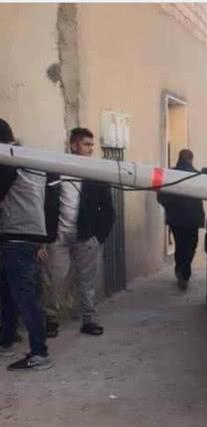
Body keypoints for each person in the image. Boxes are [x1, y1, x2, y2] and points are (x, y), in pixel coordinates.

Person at [42, 127, 114, 337]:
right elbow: (44, 202)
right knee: (53, 278)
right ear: (74, 145)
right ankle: (50, 318)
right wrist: (44, 236)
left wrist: (98, 237)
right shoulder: (56, 170)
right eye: (86, 144)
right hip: (58, 235)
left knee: (86, 280)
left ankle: (88, 319)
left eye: (92, 145)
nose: (90, 149)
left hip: (86, 236)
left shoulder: (96, 174)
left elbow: (108, 209)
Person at [0, 118, 52, 370]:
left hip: (17, 235)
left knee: (24, 297)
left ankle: (39, 353)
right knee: (12, 293)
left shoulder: (8, 161)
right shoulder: (30, 160)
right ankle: (7, 340)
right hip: (30, 234)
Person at [157, 149, 205, 290]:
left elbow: (161, 197)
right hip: (192, 220)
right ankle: (184, 272)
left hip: (176, 219)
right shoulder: (197, 175)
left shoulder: (170, 174)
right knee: (191, 246)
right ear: (191, 159)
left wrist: (170, 207)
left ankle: (181, 272)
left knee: (180, 246)